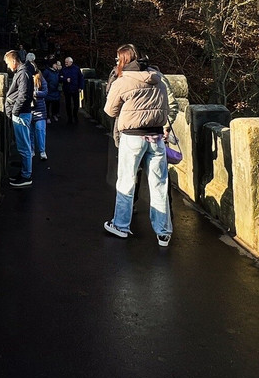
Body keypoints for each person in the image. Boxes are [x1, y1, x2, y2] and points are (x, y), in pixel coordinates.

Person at [102, 44, 179, 246]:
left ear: (123, 60)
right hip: (156, 137)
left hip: (133, 137)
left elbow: (109, 110)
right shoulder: (158, 79)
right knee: (159, 185)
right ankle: (163, 232)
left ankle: (120, 225)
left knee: (126, 182)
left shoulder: (123, 80)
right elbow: (167, 107)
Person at [3, 49, 34, 187]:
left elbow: (23, 95)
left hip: (21, 114)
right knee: (22, 145)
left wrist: (14, 112)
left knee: (24, 146)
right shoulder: (22, 72)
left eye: (8, 63)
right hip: (20, 113)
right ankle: (24, 172)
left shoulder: (23, 73)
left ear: (14, 61)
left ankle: (26, 176)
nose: (8, 66)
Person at [60, 56, 83, 124]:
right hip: (67, 89)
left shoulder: (76, 69)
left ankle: (75, 115)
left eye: (67, 62)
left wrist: (80, 87)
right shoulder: (63, 69)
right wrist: (65, 79)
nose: (65, 63)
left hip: (75, 89)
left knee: (76, 104)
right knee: (68, 104)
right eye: (65, 62)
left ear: (71, 62)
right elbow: (60, 78)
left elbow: (81, 78)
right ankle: (69, 117)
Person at [31, 67, 48, 160]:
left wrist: (35, 93)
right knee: (30, 132)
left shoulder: (41, 78)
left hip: (39, 109)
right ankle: (31, 150)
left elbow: (45, 92)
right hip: (29, 109)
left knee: (40, 130)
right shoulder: (25, 77)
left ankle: (42, 151)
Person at [43, 58, 62, 122]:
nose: (56, 65)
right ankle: (47, 117)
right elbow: (43, 80)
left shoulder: (57, 72)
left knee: (55, 104)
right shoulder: (46, 72)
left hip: (55, 90)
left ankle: (54, 114)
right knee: (47, 105)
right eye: (55, 64)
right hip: (49, 91)